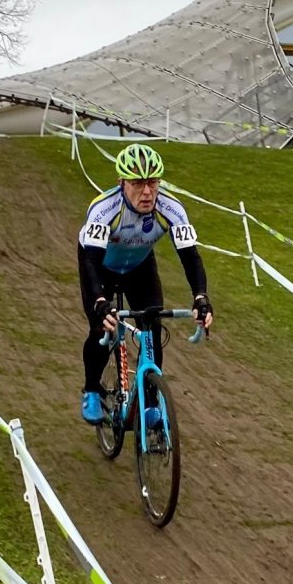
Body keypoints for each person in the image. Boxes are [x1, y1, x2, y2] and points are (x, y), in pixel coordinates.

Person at [77, 143, 213, 425]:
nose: (147, 192)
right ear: (122, 183)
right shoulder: (104, 209)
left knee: (152, 327)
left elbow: (190, 256)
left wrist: (201, 297)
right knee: (101, 327)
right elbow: (90, 261)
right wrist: (100, 301)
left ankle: (150, 401)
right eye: (138, 184)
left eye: (153, 182)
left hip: (139, 266)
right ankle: (91, 390)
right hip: (100, 266)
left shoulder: (171, 208)